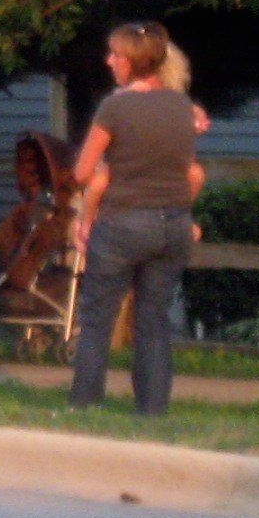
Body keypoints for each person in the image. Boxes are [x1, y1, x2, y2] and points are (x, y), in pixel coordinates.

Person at [69, 21, 200, 415]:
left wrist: (93, 199)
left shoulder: (116, 107)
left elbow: (82, 170)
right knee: (154, 320)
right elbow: (188, 168)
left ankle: (85, 404)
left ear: (130, 62)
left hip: (124, 222)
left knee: (97, 320)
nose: (109, 61)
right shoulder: (182, 106)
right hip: (174, 223)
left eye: (115, 55)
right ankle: (152, 410)